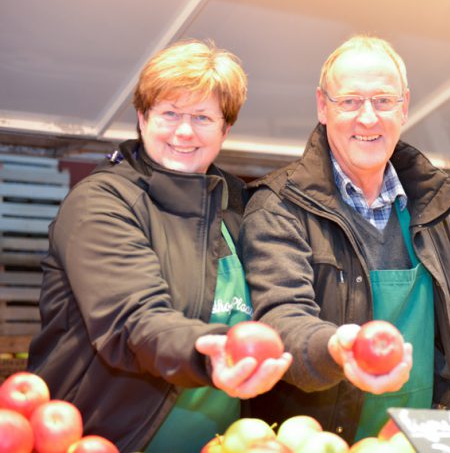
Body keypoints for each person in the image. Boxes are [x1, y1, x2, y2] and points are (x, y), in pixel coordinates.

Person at [27, 40, 292, 452]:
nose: (183, 131)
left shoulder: (241, 208)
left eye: (203, 117)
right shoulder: (100, 204)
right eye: (169, 113)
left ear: (225, 129)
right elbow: (135, 322)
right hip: (107, 441)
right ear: (142, 117)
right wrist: (209, 355)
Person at [240, 35, 450, 444]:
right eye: (349, 101)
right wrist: (335, 348)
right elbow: (280, 318)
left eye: (383, 101)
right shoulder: (278, 206)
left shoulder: (435, 205)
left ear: (405, 106)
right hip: (324, 439)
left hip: (419, 438)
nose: (368, 118)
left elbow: (449, 333)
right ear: (322, 107)